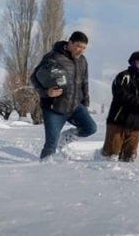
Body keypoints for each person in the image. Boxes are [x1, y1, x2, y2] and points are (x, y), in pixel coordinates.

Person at [30, 31, 97, 160]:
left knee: (90, 128)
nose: (81, 50)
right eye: (78, 46)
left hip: (75, 106)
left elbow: (85, 82)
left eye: (84, 48)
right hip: (54, 108)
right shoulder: (53, 57)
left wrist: (85, 104)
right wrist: (46, 92)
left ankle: (65, 139)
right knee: (51, 145)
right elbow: (34, 77)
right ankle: (42, 169)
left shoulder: (82, 60)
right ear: (70, 43)